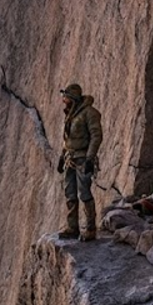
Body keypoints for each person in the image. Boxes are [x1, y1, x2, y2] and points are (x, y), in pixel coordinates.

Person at [56, 83, 103, 240]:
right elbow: (67, 139)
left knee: (84, 192)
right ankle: (72, 227)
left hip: (83, 158)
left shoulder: (89, 113)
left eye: (66, 98)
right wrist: (62, 157)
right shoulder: (72, 114)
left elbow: (96, 136)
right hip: (71, 158)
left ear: (73, 98)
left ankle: (90, 229)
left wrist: (90, 158)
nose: (64, 100)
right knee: (70, 192)